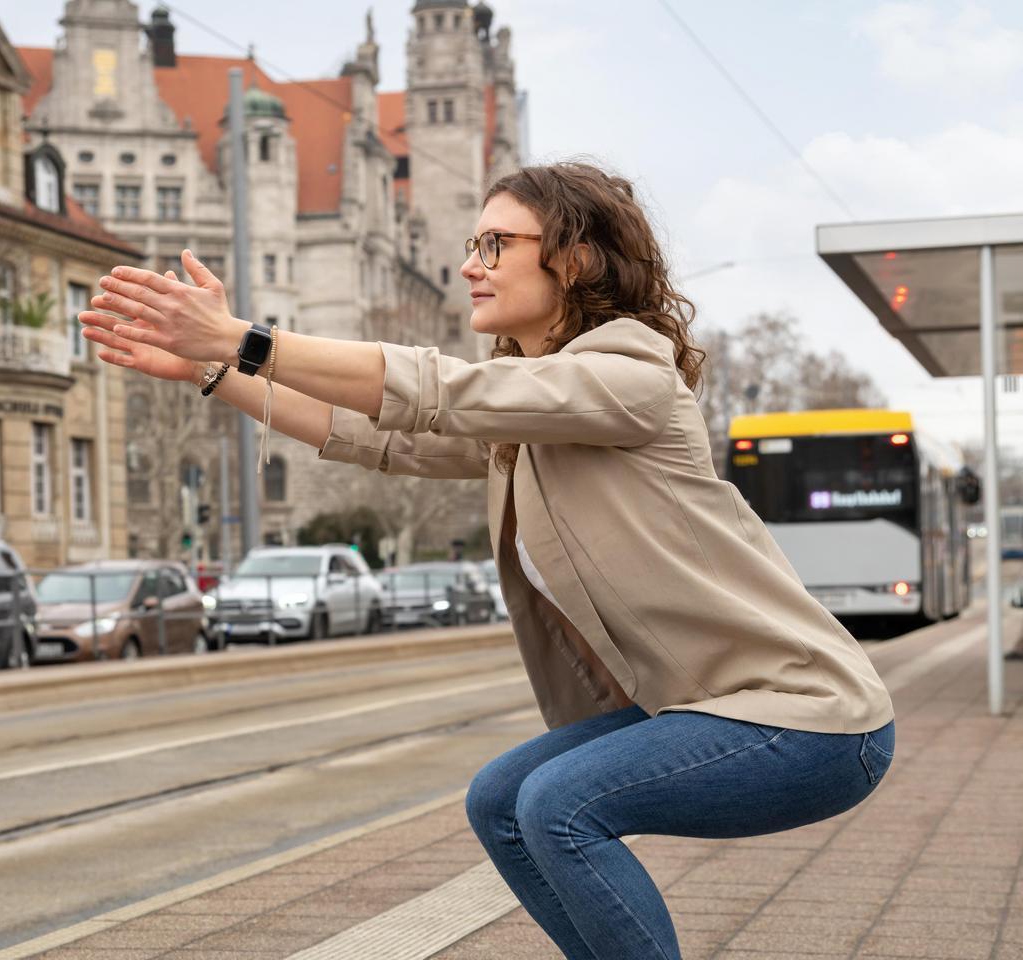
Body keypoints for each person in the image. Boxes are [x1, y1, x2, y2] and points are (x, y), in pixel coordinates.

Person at [78, 161, 895, 960]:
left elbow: (446, 393)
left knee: (558, 803)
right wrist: (215, 370)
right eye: (473, 244)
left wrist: (248, 339)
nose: (469, 265)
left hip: (808, 717)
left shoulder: (628, 380)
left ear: (573, 259)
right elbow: (384, 436)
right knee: (502, 799)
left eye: (496, 244)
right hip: (708, 705)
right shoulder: (536, 407)